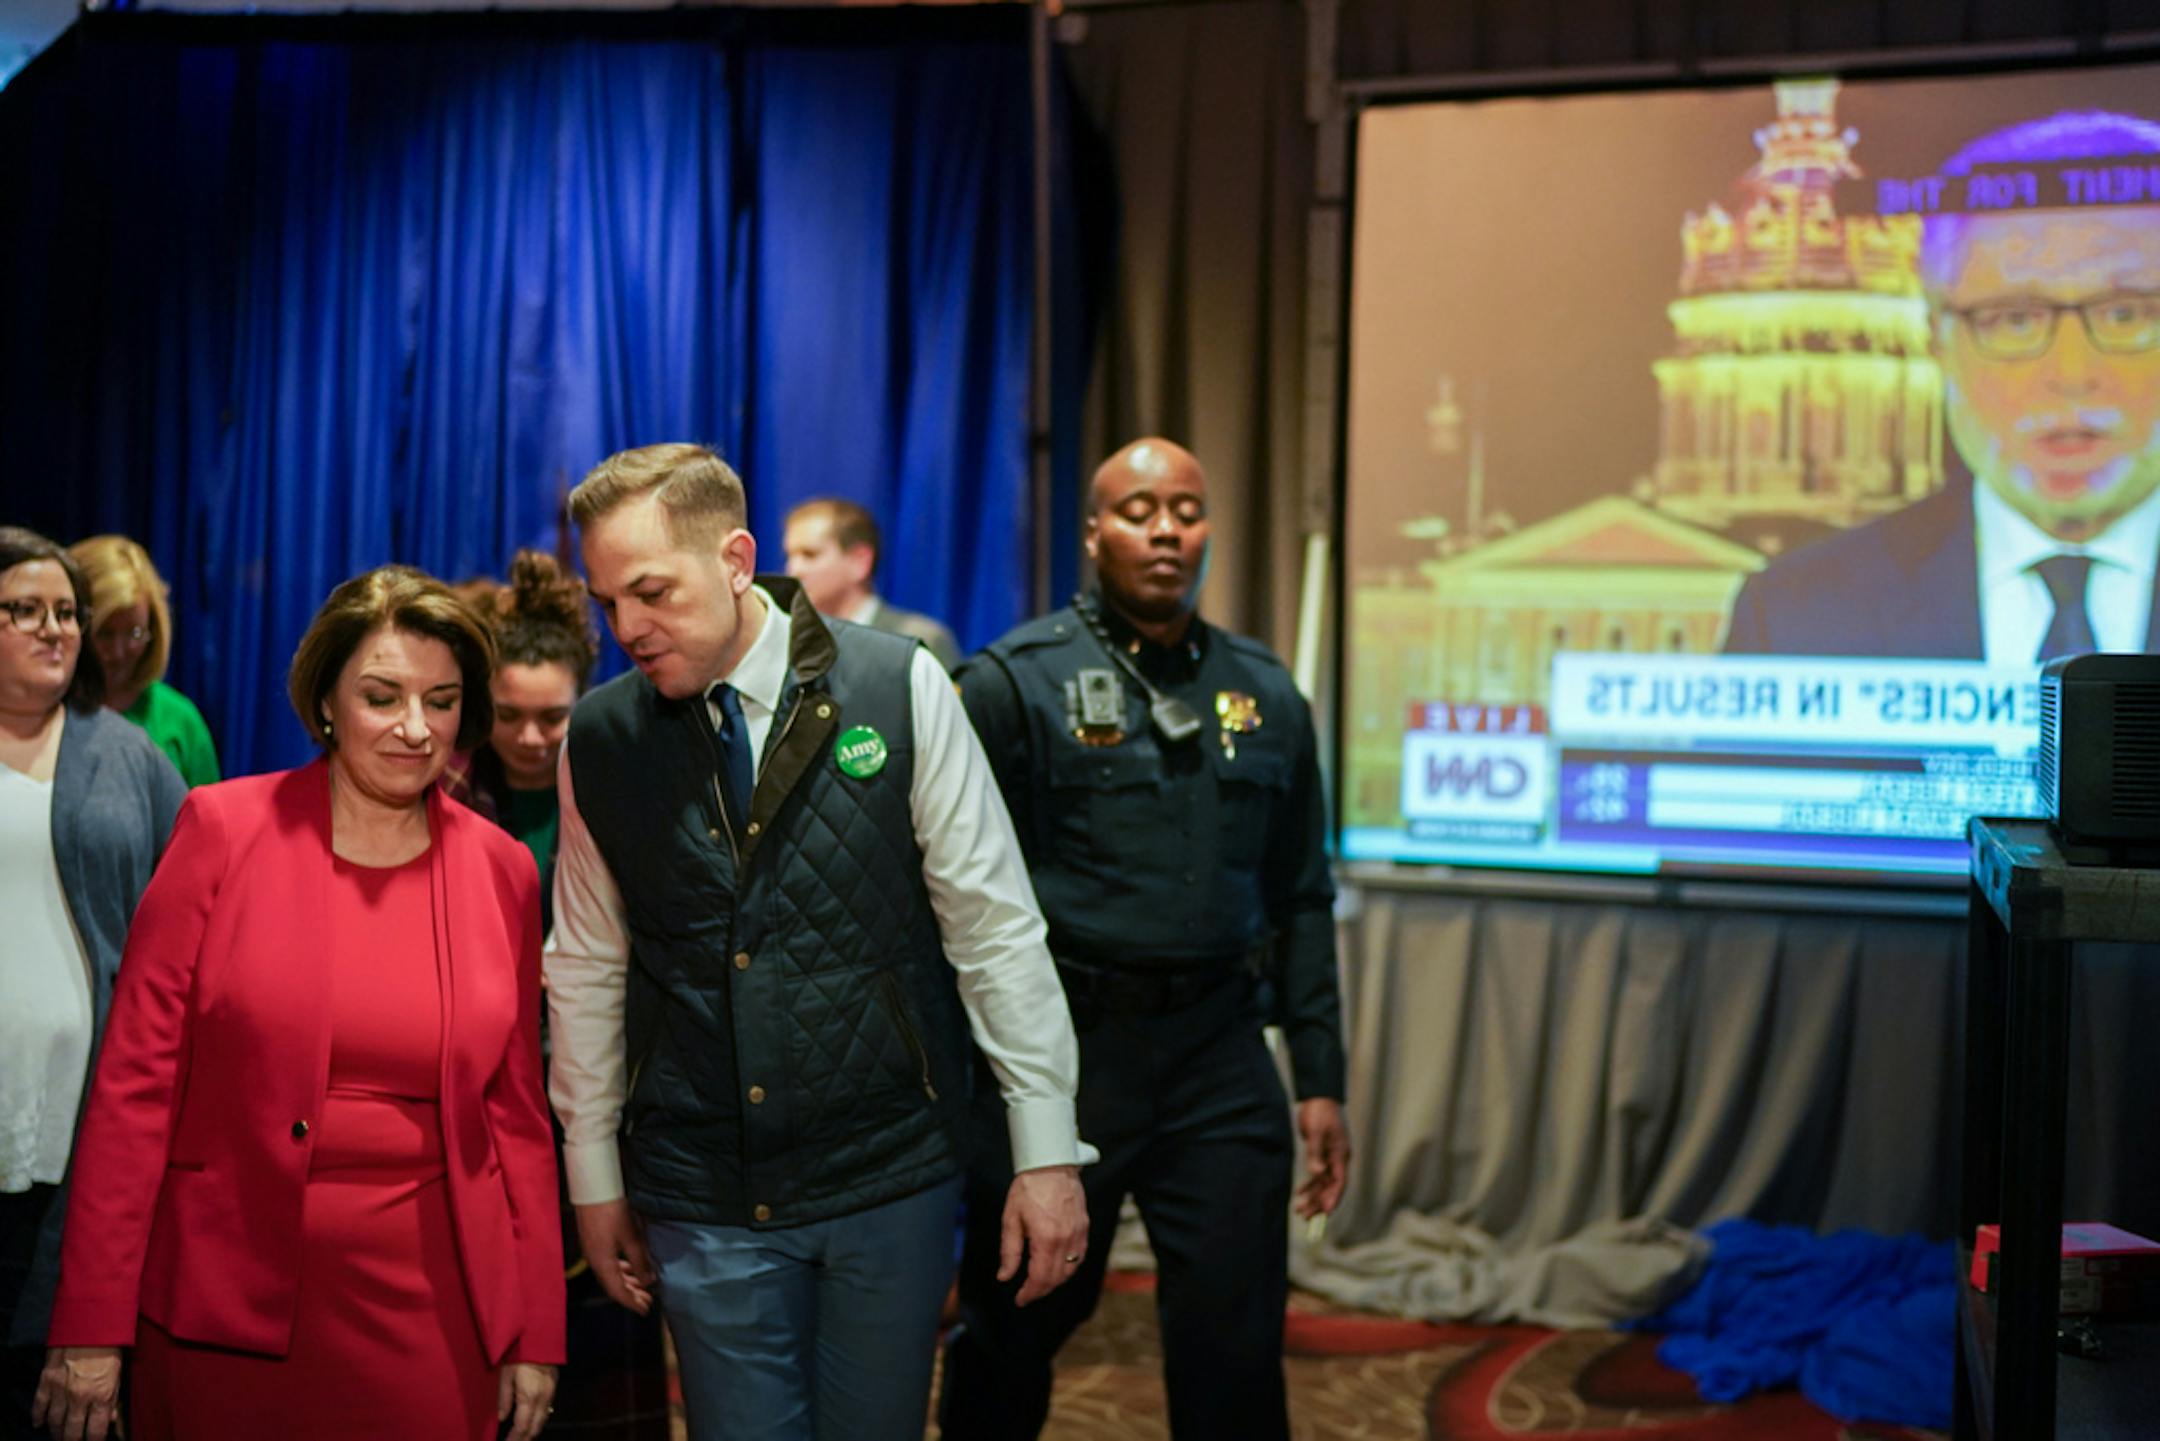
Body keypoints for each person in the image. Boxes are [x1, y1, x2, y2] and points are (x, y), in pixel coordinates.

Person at [547, 443, 1090, 1441]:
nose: (626, 627)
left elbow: (995, 927)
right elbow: (585, 965)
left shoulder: (901, 685)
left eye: (652, 591)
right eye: (606, 600)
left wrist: (1046, 1151)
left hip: (889, 1171)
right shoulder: (601, 739)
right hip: (701, 1186)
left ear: (738, 558)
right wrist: (593, 1177)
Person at [35, 565, 564, 1441]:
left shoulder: (501, 869)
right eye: (382, 695)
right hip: (226, 1306)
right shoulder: (221, 831)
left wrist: (538, 1324)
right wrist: (91, 1317)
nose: (413, 727)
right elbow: (135, 1090)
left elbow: (517, 1119)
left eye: (440, 700)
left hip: (438, 1313)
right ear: (325, 701)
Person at [937, 438, 1352, 1441]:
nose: (1166, 529)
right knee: (1014, 1327)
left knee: (1236, 1346)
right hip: (1065, 1052)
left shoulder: (1269, 693)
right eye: (1137, 509)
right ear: (1092, 532)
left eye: (1187, 509)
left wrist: (1320, 1075)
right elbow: (954, 902)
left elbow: (1302, 892)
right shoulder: (1011, 685)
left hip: (1220, 1055)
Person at [1726, 110, 2160, 661]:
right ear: (1937, 341)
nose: (2070, 376)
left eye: (2126, 314)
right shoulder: (1794, 615)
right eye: (2015, 320)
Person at [444, 550, 673, 1439]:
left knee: (607, 1331)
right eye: (510, 716)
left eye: (554, 717)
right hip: (487, 1096)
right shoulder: (448, 795)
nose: (535, 738)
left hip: (610, 1092)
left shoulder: (625, 776)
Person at [0, 528, 184, 1441]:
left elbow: (188, 933)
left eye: (66, 612)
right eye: (24, 610)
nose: (54, 629)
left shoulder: (133, 757)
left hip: (85, 1139)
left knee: (61, 1399)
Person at [65, 537, 219, 787]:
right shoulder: (42, 711)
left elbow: (206, 820)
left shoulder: (179, 719)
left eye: (135, 633)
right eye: (104, 632)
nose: (118, 651)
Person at [781, 497, 964, 670]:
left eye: (809, 555)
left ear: (860, 561)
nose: (794, 570)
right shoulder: (791, 643)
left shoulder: (921, 640)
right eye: (790, 556)